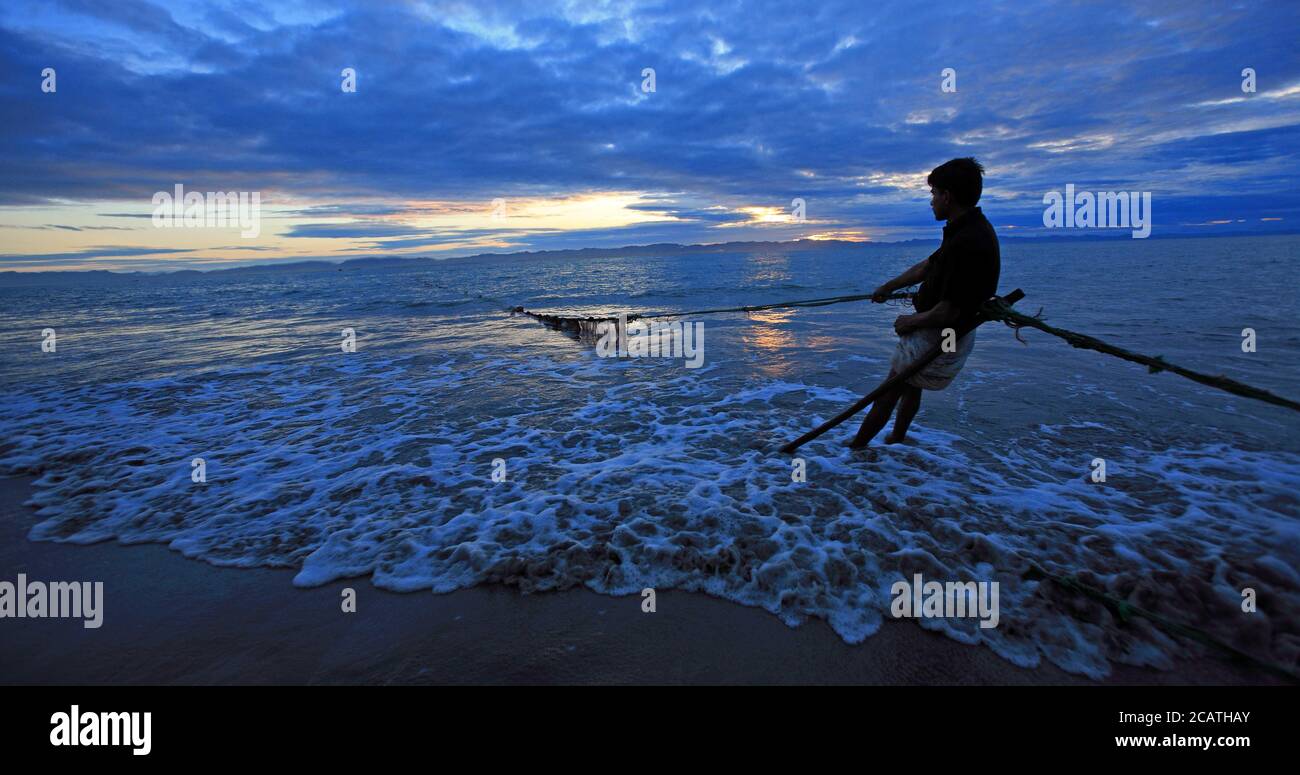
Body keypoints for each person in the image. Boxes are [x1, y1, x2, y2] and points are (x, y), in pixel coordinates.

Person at [847, 157, 1000, 449]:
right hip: (946, 330)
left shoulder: (967, 241)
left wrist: (909, 321)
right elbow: (928, 267)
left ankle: (854, 452)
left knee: (888, 391)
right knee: (910, 387)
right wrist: (888, 287)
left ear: (947, 196)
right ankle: (897, 439)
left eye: (933, 194)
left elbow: (950, 309)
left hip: (942, 332)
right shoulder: (966, 228)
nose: (931, 202)